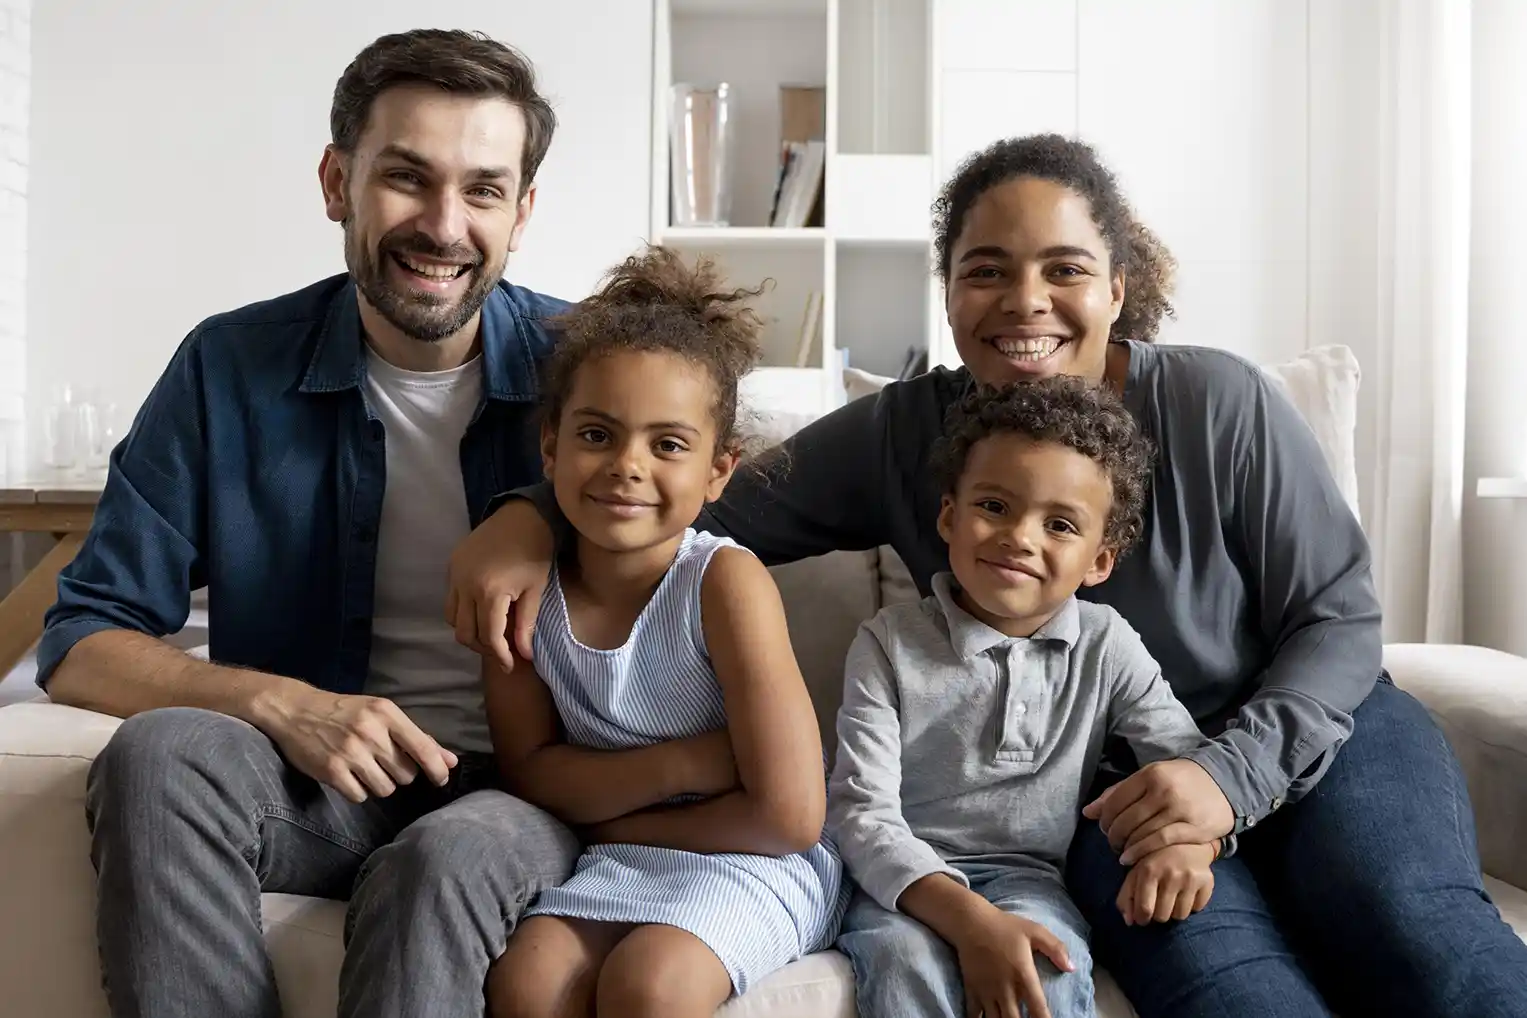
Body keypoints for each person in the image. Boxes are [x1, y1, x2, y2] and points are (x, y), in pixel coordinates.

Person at [445, 132, 1527, 1017]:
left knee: (1411, 927)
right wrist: (524, 518)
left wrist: (1224, 779)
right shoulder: (905, 435)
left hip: (1316, 736)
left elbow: (1341, 617)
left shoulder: (1219, 403)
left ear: (1119, 283)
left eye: (1064, 268)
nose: (1026, 301)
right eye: (986, 270)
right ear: (949, 292)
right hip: (1102, 793)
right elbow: (688, 495)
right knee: (1225, 984)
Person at [39, 29, 580, 1018]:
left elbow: (722, 536)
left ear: (523, 213)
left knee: (443, 859)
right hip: (312, 781)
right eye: (407, 179)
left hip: (523, 795)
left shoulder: (587, 373)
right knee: (159, 754)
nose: (444, 225)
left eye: (484, 191)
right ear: (338, 182)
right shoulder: (228, 366)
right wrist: (284, 705)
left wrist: (539, 510)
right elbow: (79, 640)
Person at [479, 246, 846, 1018]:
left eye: (668, 444)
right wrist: (687, 762)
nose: (627, 466)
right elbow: (529, 773)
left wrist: (606, 808)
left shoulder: (721, 582)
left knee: (649, 984)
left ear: (718, 471)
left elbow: (788, 815)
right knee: (526, 982)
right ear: (549, 446)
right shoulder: (520, 588)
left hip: (753, 860)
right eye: (596, 435)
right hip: (618, 854)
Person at [830, 376, 1218, 1018]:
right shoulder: (889, 642)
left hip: (1030, 881)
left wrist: (1190, 843)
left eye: (1060, 524)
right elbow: (861, 813)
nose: (1021, 537)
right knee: (904, 967)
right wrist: (969, 921)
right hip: (903, 882)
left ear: (1099, 562)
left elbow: (1183, 761)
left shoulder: (1107, 643)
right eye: (995, 507)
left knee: (1052, 968)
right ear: (950, 516)